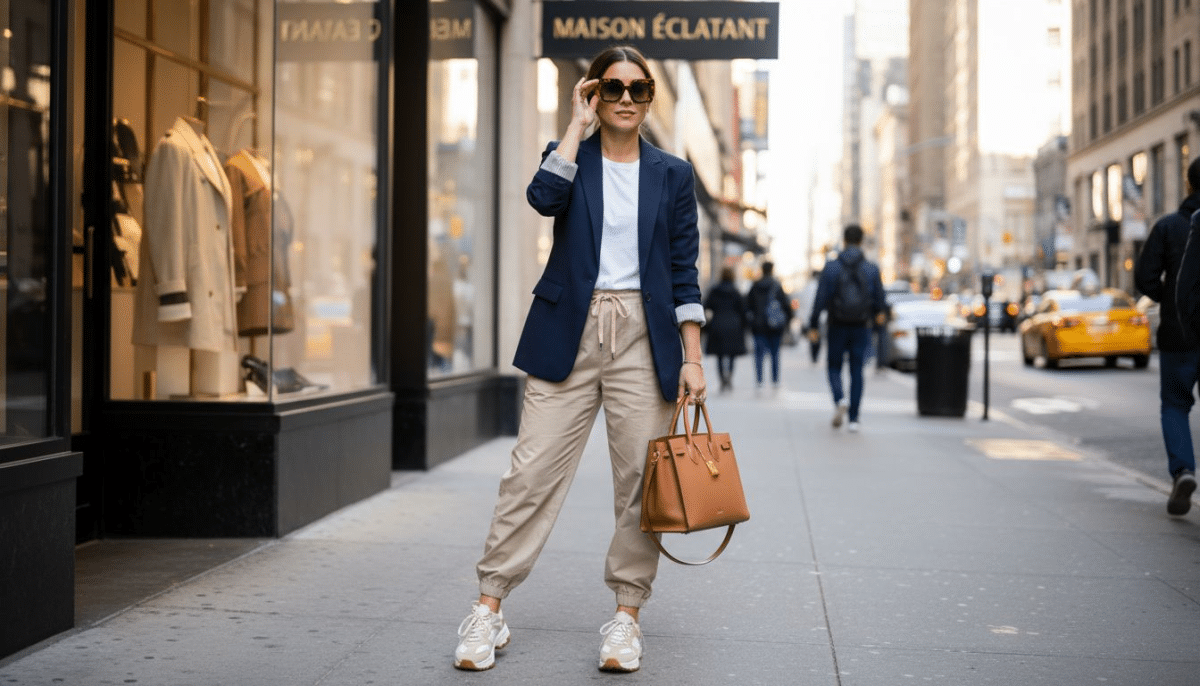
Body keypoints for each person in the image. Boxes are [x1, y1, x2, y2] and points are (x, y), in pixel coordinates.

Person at [453, 45, 706, 673]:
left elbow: (683, 272)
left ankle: (626, 616)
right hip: (569, 328)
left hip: (643, 341)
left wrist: (692, 358)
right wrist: (573, 125)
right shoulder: (569, 157)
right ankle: (490, 607)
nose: (625, 98)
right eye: (611, 87)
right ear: (594, 93)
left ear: (650, 98)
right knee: (530, 473)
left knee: (638, 487)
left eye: (637, 89)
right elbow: (542, 199)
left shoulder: (672, 174)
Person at [1154, 157, 1200, 516]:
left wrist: (1166, 299)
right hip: (1183, 328)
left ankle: (1183, 470)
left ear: (1188, 185)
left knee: (1175, 403)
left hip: (1180, 332)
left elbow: (1145, 276)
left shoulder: (1171, 226)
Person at [807, 224, 886, 432]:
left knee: (834, 366)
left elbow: (820, 299)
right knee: (857, 370)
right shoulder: (871, 268)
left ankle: (840, 398)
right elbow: (880, 301)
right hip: (861, 326)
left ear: (844, 240)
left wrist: (813, 323)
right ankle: (854, 419)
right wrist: (879, 325)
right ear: (861, 241)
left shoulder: (832, 267)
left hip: (837, 325)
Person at [746, 261, 793, 388]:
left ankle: (760, 380)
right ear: (772, 270)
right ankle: (775, 379)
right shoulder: (777, 286)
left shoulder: (755, 285)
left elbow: (748, 305)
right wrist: (787, 321)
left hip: (758, 325)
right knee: (775, 353)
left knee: (759, 354)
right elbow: (786, 305)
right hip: (775, 326)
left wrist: (750, 321)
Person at [703, 266, 749, 392]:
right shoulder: (736, 292)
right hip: (734, 326)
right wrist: (744, 326)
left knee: (719, 355)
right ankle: (729, 377)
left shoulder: (714, 291)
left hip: (717, 325)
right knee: (732, 354)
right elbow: (743, 311)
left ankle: (722, 379)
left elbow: (705, 306)